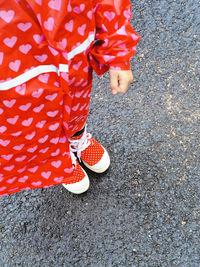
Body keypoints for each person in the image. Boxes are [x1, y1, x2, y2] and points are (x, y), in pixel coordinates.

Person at [0, 0, 140, 196]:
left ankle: (77, 139)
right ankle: (61, 159)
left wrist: (118, 52)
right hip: (15, 70)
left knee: (76, 106)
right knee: (34, 122)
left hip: (72, 51)